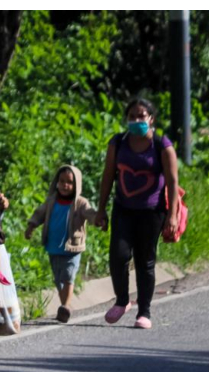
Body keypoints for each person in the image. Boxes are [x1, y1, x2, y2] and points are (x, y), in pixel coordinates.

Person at [94, 98, 179, 329]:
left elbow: (172, 182)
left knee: (145, 261)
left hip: (152, 212)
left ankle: (145, 311)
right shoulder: (118, 142)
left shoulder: (162, 145)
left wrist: (172, 216)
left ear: (151, 119)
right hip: (123, 208)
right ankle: (122, 300)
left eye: (141, 116)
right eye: (132, 116)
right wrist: (100, 210)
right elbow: (108, 176)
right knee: (118, 256)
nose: (136, 120)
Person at [25, 165, 96, 323]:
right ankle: (66, 304)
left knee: (68, 277)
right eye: (62, 181)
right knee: (58, 279)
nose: (65, 185)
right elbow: (39, 213)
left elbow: (90, 213)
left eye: (69, 182)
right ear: (56, 182)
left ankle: (64, 306)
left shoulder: (80, 203)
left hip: (72, 248)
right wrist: (31, 226)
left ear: (76, 184)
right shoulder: (51, 201)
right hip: (54, 247)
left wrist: (98, 220)